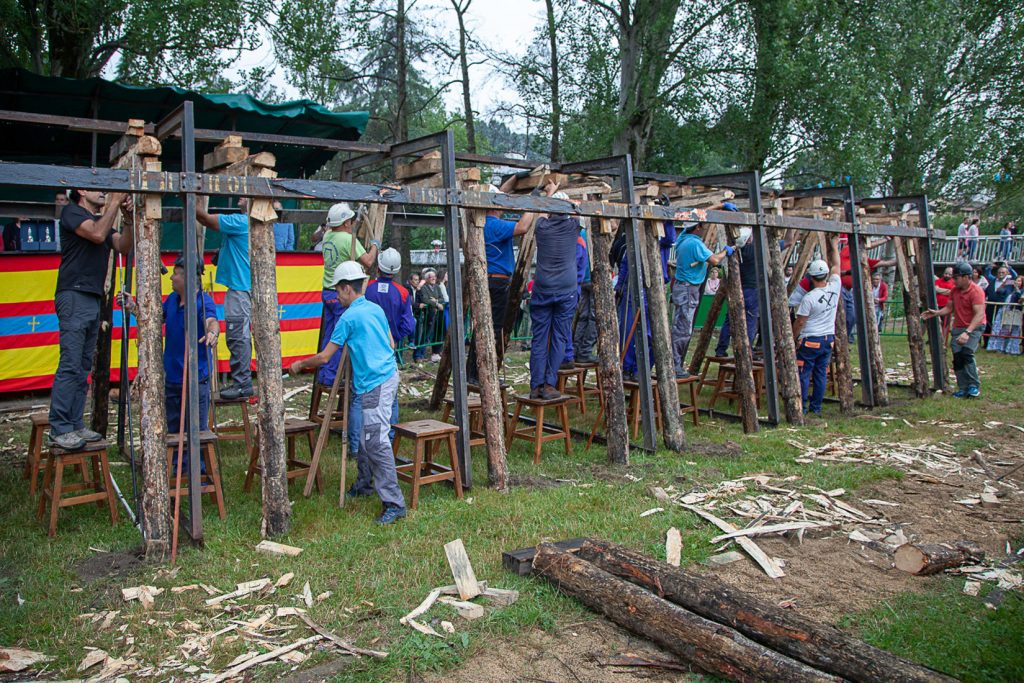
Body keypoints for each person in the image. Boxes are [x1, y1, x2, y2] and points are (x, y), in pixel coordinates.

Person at [288, 261, 407, 525]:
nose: (336, 297)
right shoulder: (374, 308)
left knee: (376, 441)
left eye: (338, 292)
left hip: (376, 381)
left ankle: (394, 502)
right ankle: (364, 484)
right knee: (367, 438)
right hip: (386, 375)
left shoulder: (348, 317)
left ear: (346, 289)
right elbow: (390, 341)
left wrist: (299, 364)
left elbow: (324, 357)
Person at [48, 189, 135, 449]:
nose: (105, 194)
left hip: (91, 296)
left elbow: (123, 246)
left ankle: (74, 423)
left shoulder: (102, 219)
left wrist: (127, 218)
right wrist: (115, 202)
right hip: (73, 294)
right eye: (100, 190)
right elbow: (96, 235)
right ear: (82, 191)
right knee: (71, 363)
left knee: (83, 365)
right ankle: (60, 427)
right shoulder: (72, 212)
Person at [123, 256, 219, 471]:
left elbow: (211, 320)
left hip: (195, 379)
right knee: (173, 428)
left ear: (188, 278)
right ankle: (175, 469)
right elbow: (153, 320)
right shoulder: (171, 301)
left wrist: (212, 332)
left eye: (176, 273)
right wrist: (133, 306)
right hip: (172, 378)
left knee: (195, 429)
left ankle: (196, 473)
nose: (172, 277)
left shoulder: (203, 301)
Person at [346, 248, 413, 498]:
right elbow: (408, 323)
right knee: (386, 403)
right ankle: (384, 441)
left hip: (365, 353)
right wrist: (395, 336)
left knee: (360, 403)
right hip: (386, 354)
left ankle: (362, 447)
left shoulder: (368, 290)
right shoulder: (403, 292)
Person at [466, 179, 550, 376]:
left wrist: (510, 186)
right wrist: (532, 202)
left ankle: (475, 373)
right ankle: (480, 374)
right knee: (492, 329)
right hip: (497, 282)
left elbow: (499, 197)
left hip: (488, 280)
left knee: (483, 328)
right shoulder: (494, 224)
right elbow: (522, 227)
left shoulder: (481, 223)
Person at [310, 202, 379, 387]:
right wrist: (374, 245)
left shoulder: (328, 235)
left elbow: (348, 230)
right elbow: (368, 261)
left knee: (329, 334)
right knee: (340, 338)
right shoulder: (348, 241)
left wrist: (356, 218)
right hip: (343, 294)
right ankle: (333, 377)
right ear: (346, 222)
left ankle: (325, 375)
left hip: (327, 291)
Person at [196, 199, 255, 400]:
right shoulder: (253, 223)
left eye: (244, 195)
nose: (239, 198)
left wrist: (189, 199)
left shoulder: (241, 221)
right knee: (240, 335)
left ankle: (242, 383)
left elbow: (205, 219)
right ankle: (242, 381)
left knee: (237, 336)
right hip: (243, 286)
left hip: (240, 288)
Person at [527, 190, 580, 399]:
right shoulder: (573, 227)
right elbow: (578, 211)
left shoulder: (542, 227)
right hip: (566, 290)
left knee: (539, 338)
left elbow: (539, 209)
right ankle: (549, 384)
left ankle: (535, 385)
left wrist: (547, 193)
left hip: (543, 287)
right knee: (559, 336)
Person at [671, 221, 733, 375]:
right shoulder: (694, 243)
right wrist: (725, 251)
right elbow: (715, 260)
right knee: (683, 330)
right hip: (688, 289)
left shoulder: (683, 238)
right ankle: (674, 364)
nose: (705, 230)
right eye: (703, 227)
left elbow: (692, 221)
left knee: (679, 326)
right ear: (697, 228)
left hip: (682, 287)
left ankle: (674, 363)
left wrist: (717, 207)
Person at [791, 236, 841, 416]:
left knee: (804, 373)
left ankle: (802, 408)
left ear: (811, 277)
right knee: (820, 374)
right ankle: (816, 407)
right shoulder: (835, 287)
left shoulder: (809, 298)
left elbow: (800, 321)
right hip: (828, 340)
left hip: (810, 340)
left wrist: (793, 337)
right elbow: (837, 265)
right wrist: (834, 247)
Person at [923, 261, 986, 398]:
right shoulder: (954, 291)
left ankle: (973, 386)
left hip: (974, 326)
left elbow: (979, 314)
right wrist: (936, 313)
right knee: (957, 358)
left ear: (966, 277)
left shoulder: (976, 291)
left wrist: (967, 332)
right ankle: (963, 388)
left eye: (956, 278)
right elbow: (949, 308)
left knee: (967, 353)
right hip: (958, 326)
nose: (954, 280)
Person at [715, 228, 759, 358]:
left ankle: (721, 349)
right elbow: (787, 243)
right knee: (750, 320)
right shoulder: (754, 250)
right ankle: (747, 350)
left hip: (737, 288)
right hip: (752, 290)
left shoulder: (736, 251)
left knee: (730, 319)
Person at [573, 228, 597, 364]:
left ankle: (576, 349)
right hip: (593, 279)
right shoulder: (596, 233)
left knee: (583, 316)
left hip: (583, 279)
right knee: (594, 318)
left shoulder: (581, 234)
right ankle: (585, 351)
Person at [987, 275, 1023, 355]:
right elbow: (999, 291)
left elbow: (1020, 298)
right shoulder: (1009, 288)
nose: (1017, 282)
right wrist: (1005, 282)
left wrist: (1017, 289)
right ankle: (1000, 347)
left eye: (1020, 281)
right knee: (1003, 330)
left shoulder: (1021, 290)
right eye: (1016, 280)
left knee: (1013, 331)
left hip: (1015, 312)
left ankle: (1011, 349)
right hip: (1005, 311)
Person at [416, 269, 444, 361]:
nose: (434, 278)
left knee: (434, 335)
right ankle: (419, 355)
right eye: (431, 277)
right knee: (425, 335)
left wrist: (435, 300)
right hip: (428, 315)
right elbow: (425, 300)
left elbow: (442, 299)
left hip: (436, 315)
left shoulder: (437, 287)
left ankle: (432, 353)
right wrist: (436, 304)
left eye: (434, 277)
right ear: (427, 279)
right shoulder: (424, 288)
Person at [934, 266, 955, 334]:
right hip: (937, 305)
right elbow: (936, 289)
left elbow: (953, 292)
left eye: (949, 274)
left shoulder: (954, 282)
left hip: (947, 306)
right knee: (937, 322)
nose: (947, 275)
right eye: (946, 273)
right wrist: (948, 291)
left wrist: (940, 290)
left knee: (946, 323)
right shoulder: (937, 281)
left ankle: (943, 338)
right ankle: (937, 336)